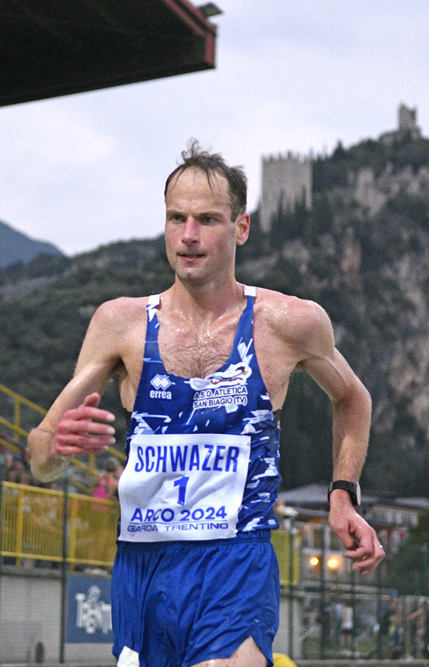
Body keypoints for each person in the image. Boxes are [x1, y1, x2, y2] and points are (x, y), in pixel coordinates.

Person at [28, 142, 383, 667]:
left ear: (240, 228)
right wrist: (58, 448)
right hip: (144, 567)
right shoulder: (120, 324)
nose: (189, 236)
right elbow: (39, 456)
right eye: (177, 218)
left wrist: (342, 494)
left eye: (207, 220)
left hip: (236, 560)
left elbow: (353, 398)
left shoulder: (288, 323)